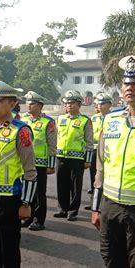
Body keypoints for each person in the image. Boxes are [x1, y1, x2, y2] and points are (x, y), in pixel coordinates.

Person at [91, 55, 135, 268]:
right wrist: (96, 206)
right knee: (111, 260)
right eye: (126, 83)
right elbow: (101, 166)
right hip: (111, 208)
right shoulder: (110, 121)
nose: (129, 88)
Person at [0, 80, 36, 268]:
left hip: (8, 200)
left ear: (12, 103)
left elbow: (30, 171)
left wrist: (26, 203)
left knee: (9, 249)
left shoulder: (21, 131)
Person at [20, 91, 57, 231]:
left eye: (32, 103)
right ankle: (28, 216)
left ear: (40, 105)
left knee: (39, 193)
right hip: (24, 163)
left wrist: (51, 164)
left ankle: (38, 219)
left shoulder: (48, 122)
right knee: (26, 191)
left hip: (40, 164)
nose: (28, 105)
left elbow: (52, 144)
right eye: (28, 102)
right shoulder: (23, 120)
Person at [54, 90, 94, 221]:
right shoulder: (60, 119)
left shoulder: (85, 121)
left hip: (77, 158)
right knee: (61, 184)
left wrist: (88, 160)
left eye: (72, 103)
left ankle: (72, 211)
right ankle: (62, 208)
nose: (68, 106)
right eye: (66, 103)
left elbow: (89, 142)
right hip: (61, 156)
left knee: (75, 186)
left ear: (79, 104)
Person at [86, 93, 112, 201]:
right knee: (94, 175)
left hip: (108, 151)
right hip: (94, 150)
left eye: (103, 104)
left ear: (109, 105)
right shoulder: (93, 118)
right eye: (98, 104)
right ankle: (94, 201)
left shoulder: (113, 118)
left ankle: (104, 200)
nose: (100, 106)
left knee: (107, 176)